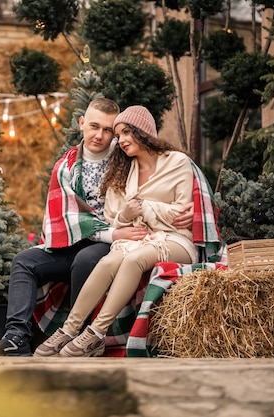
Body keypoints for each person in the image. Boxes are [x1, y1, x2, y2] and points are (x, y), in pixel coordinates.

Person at [0, 99, 192, 356]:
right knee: (24, 261)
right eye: (94, 126)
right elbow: (66, 215)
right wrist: (115, 230)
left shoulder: (122, 158)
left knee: (87, 260)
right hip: (77, 238)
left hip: (110, 243)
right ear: (82, 124)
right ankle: (16, 337)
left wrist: (186, 213)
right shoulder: (66, 166)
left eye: (109, 130)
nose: (101, 135)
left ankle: (80, 336)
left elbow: (155, 186)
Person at [34, 105, 199, 357]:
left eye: (126, 133)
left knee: (134, 259)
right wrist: (128, 215)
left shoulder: (176, 162)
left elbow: (182, 213)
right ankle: (69, 330)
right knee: (107, 262)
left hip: (176, 240)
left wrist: (145, 207)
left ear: (143, 132)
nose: (120, 140)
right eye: (119, 134)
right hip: (141, 238)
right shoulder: (126, 170)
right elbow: (115, 218)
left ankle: (96, 333)